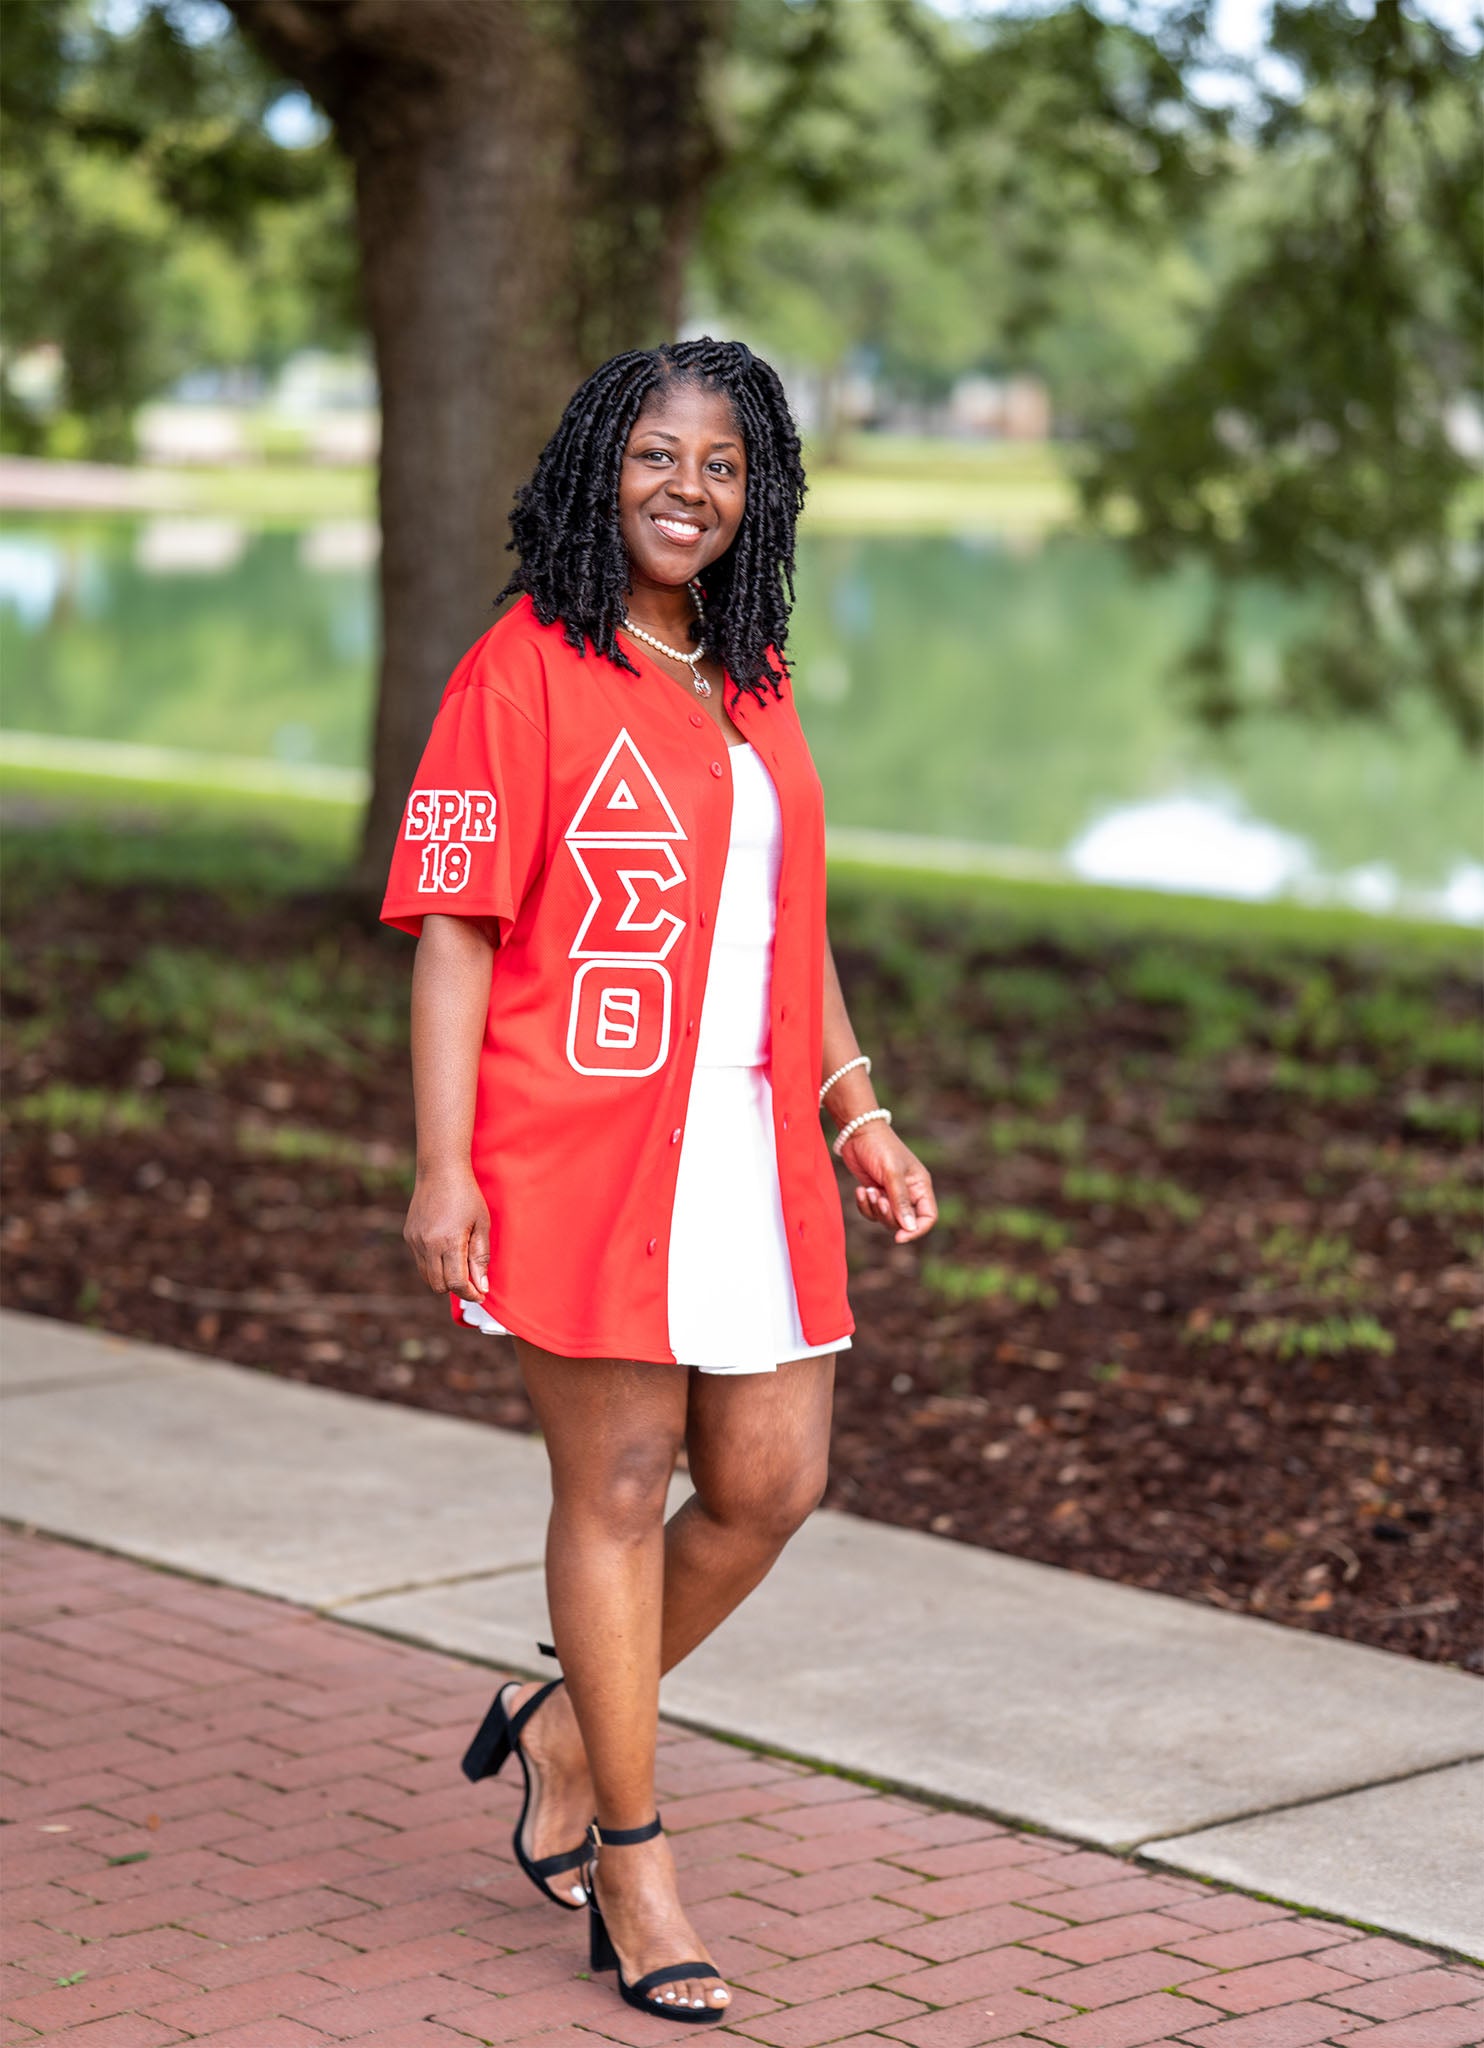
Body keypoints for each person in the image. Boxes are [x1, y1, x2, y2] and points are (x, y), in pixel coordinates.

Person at [381, 337, 937, 2025]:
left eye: (721, 464)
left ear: (755, 491)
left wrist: (858, 1113)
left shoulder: (750, 673)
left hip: (754, 1159)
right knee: (616, 1489)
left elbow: (794, 933)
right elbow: (458, 934)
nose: (686, 490)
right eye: (654, 457)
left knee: (767, 1483)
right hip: (581, 1146)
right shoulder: (520, 667)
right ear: (592, 473)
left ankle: (556, 1723)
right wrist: (439, 1164)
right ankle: (631, 1854)